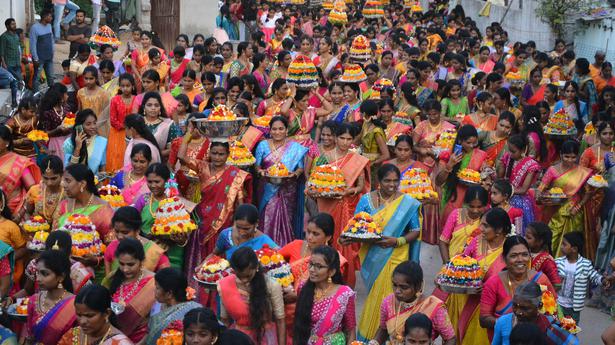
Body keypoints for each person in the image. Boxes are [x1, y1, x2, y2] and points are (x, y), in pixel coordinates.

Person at [352, 164, 422, 340]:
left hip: (397, 256)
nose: (392, 185)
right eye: (387, 181)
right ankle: (370, 338)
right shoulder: (366, 200)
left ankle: (394, 338)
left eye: (395, 181)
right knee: (375, 297)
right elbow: (356, 226)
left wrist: (396, 241)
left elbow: (415, 230)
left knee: (393, 296)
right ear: (378, 181)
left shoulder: (406, 202)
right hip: (373, 256)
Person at [183, 140, 252, 291]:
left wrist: (239, 227)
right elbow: (181, 156)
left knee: (220, 259)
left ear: (228, 155)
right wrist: (189, 135)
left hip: (225, 222)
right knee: (202, 256)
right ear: (209, 153)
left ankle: (221, 291)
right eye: (214, 153)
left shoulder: (236, 174)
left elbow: (240, 203)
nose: (217, 157)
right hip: (203, 219)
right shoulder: (202, 167)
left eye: (221, 154)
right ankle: (198, 289)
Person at [308, 123, 369, 286]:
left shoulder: (357, 159)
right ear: (335, 138)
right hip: (326, 205)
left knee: (343, 243)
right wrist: (316, 191)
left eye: (349, 139)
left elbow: (360, 186)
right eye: (342, 138)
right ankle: (321, 279)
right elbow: (314, 182)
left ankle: (343, 283)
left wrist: (349, 192)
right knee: (324, 239)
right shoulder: (324, 157)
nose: (345, 142)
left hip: (346, 206)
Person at [480, 235, 557, 341]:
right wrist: (508, 324)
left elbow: (553, 312)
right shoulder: (493, 283)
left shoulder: (541, 280)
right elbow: (484, 319)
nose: (520, 260)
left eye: (525, 255)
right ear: (504, 258)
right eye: (514, 256)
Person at [255, 116, 308, 246]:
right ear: (270, 130)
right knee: (267, 216)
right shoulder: (262, 145)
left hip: (288, 189)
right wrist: (261, 172)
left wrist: (294, 174)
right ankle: (265, 247)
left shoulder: (294, 147)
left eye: (281, 129)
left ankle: (285, 247)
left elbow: (300, 168)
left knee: (287, 219)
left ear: (286, 130)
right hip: (267, 187)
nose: (277, 132)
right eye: (274, 129)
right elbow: (257, 166)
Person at [373, 261, 455, 345]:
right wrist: (374, 343)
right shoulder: (388, 302)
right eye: (394, 285)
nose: (397, 291)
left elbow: (450, 338)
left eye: (404, 287)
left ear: (418, 286)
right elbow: (383, 329)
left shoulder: (434, 306)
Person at [218, 246, 286, 345]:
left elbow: (280, 320)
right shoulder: (224, 285)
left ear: (256, 267)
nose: (245, 281)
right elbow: (225, 320)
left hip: (265, 338)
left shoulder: (271, 286)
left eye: (248, 276)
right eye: (240, 276)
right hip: (238, 339)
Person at [537, 140, 592, 257]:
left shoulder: (582, 172)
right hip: (555, 212)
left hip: (574, 212)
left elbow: (588, 193)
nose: (570, 160)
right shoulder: (552, 170)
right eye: (567, 156)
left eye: (573, 157)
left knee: (573, 242)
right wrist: (546, 198)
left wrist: (578, 206)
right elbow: (540, 191)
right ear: (561, 154)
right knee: (553, 238)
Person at [293, 245, 356, 345]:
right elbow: (299, 325)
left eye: (318, 266)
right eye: (311, 264)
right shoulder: (303, 288)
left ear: (331, 272)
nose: (312, 269)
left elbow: (351, 330)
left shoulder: (345, 294)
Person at [132, 163, 185, 269]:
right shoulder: (143, 200)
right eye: (150, 182)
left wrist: (180, 238)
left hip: (172, 254)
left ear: (166, 181)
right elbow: (133, 224)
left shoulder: (175, 201)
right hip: (147, 252)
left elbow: (184, 230)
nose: (153, 185)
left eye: (157, 182)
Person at [492, 281, 578, 345]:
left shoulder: (551, 327)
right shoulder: (502, 322)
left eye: (525, 308)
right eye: (515, 306)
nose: (518, 312)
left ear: (539, 306)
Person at [104, 238, 156, 343]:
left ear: (141, 261)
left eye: (131, 264)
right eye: (122, 264)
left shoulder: (153, 283)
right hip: (113, 339)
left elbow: (156, 321)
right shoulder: (112, 279)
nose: (125, 269)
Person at [436, 125, 487, 224]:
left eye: (474, 143)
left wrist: (485, 174)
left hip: (471, 200)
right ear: (460, 141)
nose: (472, 146)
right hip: (451, 196)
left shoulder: (480, 155)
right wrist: (449, 165)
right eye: (468, 143)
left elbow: (485, 176)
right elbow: (438, 181)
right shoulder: (448, 155)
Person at [16, 230, 91, 298]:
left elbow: (86, 300)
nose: (38, 279)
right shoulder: (36, 265)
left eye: (45, 273)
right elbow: (27, 290)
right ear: (70, 253)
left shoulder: (76, 271)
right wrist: (11, 299)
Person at [555, 231, 609, 324]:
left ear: (574, 249)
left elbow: (594, 275)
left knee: (570, 330)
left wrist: (603, 280)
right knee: (556, 328)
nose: (561, 246)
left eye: (564, 244)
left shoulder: (585, 264)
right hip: (558, 303)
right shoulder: (558, 262)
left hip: (574, 307)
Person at [25, 250, 76, 345]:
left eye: (45, 274)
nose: (38, 279)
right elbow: (30, 336)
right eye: (37, 273)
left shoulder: (74, 305)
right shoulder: (34, 300)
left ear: (61, 277)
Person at [54, 164, 114, 244]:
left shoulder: (103, 210)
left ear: (82, 184)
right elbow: (54, 235)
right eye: (63, 180)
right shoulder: (64, 204)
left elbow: (111, 243)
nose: (63, 185)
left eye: (68, 181)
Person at [57, 284, 133, 345]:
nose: (82, 321)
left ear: (107, 313)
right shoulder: (73, 335)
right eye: (79, 315)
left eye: (89, 316)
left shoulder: (120, 342)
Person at [104, 206, 170, 275]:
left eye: (125, 232)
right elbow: (108, 281)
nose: (119, 236)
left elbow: (166, 281)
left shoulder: (154, 252)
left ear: (137, 231)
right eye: (117, 231)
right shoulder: (111, 247)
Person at [145, 268, 202, 345]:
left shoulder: (195, 310)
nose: (154, 290)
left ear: (169, 294)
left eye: (157, 288)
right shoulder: (158, 304)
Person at [438, 185, 489, 262]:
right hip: (452, 263)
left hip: (474, 268)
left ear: (485, 205)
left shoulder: (487, 221)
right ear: (466, 203)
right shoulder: (456, 214)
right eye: (472, 206)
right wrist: (447, 264)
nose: (475, 210)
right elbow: (443, 241)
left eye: (479, 207)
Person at [0, 125, 41, 217]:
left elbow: (33, 190)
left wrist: (21, 213)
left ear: (7, 142)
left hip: (12, 213)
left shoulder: (20, 162)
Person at [214, 204, 278, 259]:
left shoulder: (264, 241)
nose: (241, 232)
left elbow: (280, 258)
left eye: (246, 229)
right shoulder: (226, 235)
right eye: (238, 227)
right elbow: (214, 254)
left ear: (256, 224)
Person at [106, 73, 136, 172]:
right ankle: (114, 184)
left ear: (133, 86)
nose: (125, 88)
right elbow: (113, 120)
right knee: (116, 158)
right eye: (122, 86)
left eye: (128, 86)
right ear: (119, 86)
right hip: (117, 134)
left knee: (130, 157)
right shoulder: (115, 100)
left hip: (133, 133)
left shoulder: (136, 100)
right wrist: (125, 127)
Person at [63, 109, 108, 174]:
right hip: (74, 182)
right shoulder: (69, 143)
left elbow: (102, 168)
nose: (93, 127)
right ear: (79, 126)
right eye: (88, 124)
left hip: (94, 181)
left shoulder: (102, 142)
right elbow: (68, 170)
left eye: (94, 123)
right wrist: (77, 148)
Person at [138, 91, 181, 160]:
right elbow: (130, 145)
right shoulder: (137, 123)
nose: (153, 108)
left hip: (158, 165)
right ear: (144, 107)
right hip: (137, 163)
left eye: (156, 105)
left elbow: (173, 149)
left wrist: (154, 155)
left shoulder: (168, 124)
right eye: (149, 105)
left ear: (160, 107)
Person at [25, 156, 66, 225]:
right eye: (45, 178)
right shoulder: (34, 190)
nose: (49, 183)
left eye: (54, 178)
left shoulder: (67, 192)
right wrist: (31, 225)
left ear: (62, 175)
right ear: (41, 175)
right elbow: (28, 213)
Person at [525, 222, 561, 287]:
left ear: (540, 241)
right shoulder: (526, 253)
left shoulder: (547, 260)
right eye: (525, 236)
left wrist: (543, 295)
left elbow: (557, 284)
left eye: (528, 238)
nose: (524, 239)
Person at [30, 9, 55, 89]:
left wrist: (52, 52)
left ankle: (52, 95)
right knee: (37, 77)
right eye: (50, 16)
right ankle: (35, 96)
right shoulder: (34, 28)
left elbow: (52, 40)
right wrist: (35, 58)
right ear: (44, 17)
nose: (51, 18)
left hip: (49, 57)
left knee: (51, 77)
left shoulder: (49, 26)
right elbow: (32, 44)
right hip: (39, 58)